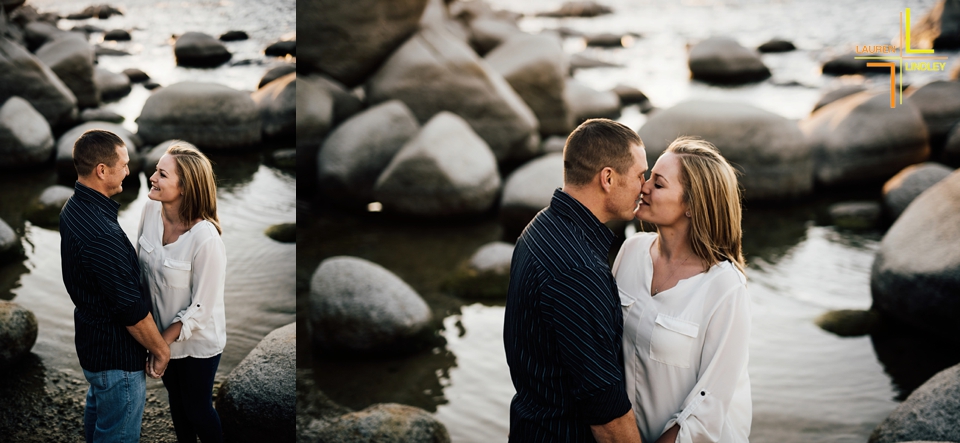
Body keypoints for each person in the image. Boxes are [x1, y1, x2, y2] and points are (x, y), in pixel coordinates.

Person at [504, 118, 647, 443]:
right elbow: (606, 416)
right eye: (640, 175)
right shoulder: (578, 270)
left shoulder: (542, 226)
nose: (644, 186)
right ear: (608, 178)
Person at [612, 137, 751, 443]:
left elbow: (709, 401)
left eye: (658, 184)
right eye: (648, 178)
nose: (643, 187)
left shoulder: (725, 287)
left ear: (691, 205)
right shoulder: (631, 251)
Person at [61, 129, 170, 443]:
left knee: (99, 413)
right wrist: (160, 351)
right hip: (115, 356)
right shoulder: (102, 234)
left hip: (92, 343)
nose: (128, 170)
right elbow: (130, 311)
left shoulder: (73, 209)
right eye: (123, 164)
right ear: (101, 170)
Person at [136, 141, 227, 443]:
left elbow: (201, 308)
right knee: (176, 401)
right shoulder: (150, 209)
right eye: (156, 171)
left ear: (185, 187)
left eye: (162, 174)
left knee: (198, 409)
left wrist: (161, 344)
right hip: (160, 335)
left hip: (198, 341)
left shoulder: (205, 238)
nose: (152, 177)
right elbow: (140, 272)